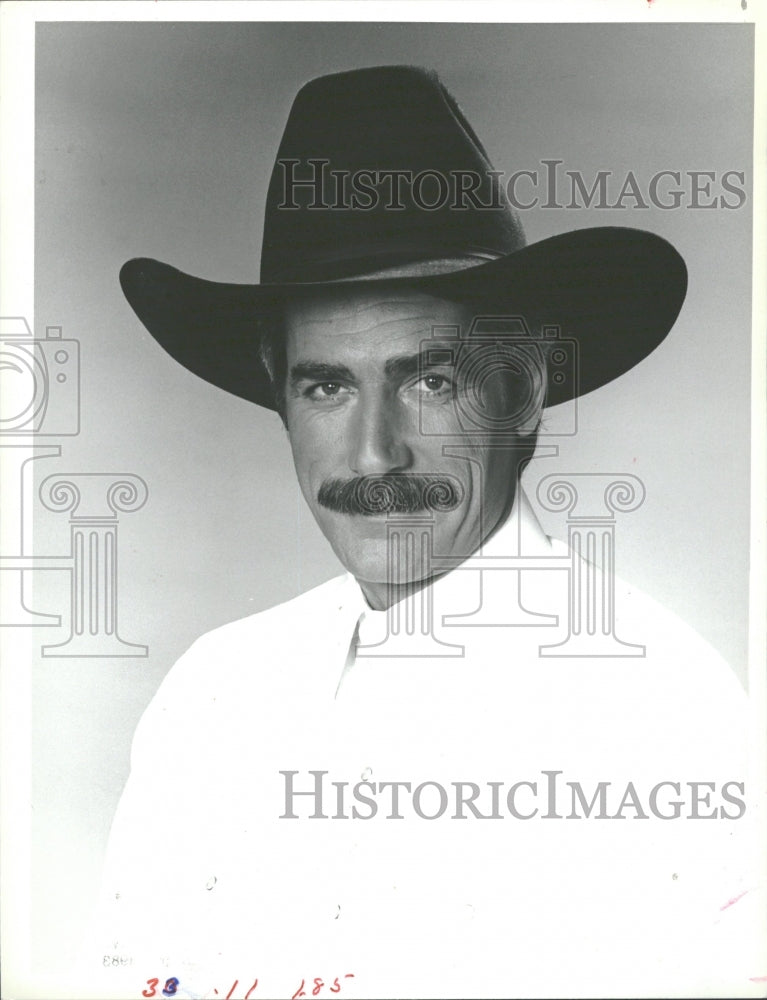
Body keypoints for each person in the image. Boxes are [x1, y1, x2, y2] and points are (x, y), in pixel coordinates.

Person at [83, 66, 756, 1000]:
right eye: (327, 386)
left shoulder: (656, 712)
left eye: (429, 381)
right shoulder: (214, 690)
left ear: (519, 391)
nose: (371, 457)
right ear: (280, 398)